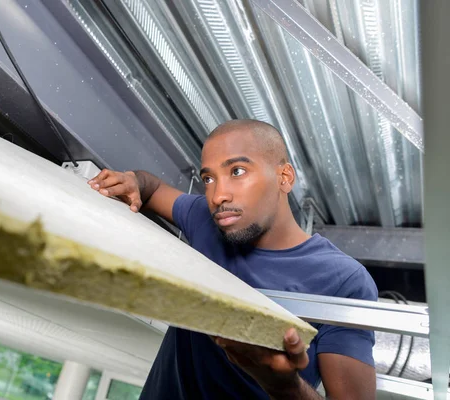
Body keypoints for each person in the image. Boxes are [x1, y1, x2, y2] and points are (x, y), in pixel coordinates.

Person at [88, 119, 377, 399]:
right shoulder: (207, 220)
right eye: (208, 178)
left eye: (237, 171)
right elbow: (153, 189)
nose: (217, 195)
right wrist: (133, 180)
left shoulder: (345, 280)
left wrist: (284, 388)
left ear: (284, 177)